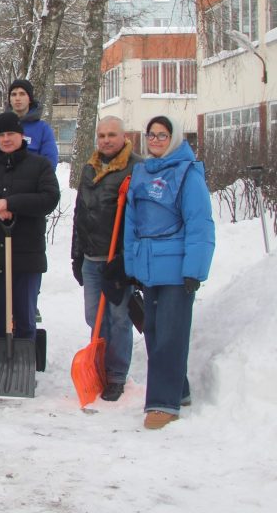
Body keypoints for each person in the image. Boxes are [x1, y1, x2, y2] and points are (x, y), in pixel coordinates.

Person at [125, 115, 214, 430]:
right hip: (149, 267)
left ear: (174, 139)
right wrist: (132, 266)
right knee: (153, 333)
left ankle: (163, 402)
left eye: (163, 135)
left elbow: (200, 223)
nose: (156, 141)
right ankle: (180, 389)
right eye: (152, 135)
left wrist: (195, 270)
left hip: (177, 269)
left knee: (170, 335)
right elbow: (131, 224)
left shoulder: (188, 174)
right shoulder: (142, 173)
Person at [0, 112, 59, 341]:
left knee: (25, 314)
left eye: (11, 134)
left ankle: (23, 362)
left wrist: (12, 203)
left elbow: (49, 198)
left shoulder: (40, 166)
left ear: (21, 136)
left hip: (27, 253)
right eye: (2, 135)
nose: (6, 139)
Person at [71, 116, 141, 401]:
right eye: (101, 135)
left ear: (124, 137)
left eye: (112, 135)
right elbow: (80, 213)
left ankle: (116, 374)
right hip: (92, 258)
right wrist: (77, 255)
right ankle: (99, 366)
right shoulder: (90, 168)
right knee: (93, 316)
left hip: (117, 259)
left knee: (119, 317)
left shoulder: (135, 169)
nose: (106, 140)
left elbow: (139, 220)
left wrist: (126, 260)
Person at [0, 79, 59, 168]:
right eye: (13, 94)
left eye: (22, 94)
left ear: (30, 99)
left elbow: (50, 162)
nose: (17, 98)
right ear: (10, 99)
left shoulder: (43, 129)